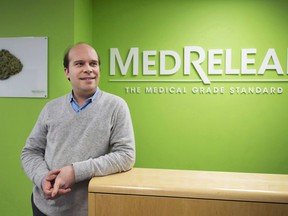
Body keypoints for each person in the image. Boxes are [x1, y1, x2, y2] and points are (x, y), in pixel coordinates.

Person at [21, 43, 136, 216]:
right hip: (44, 207)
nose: (88, 69)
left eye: (93, 63)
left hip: (89, 209)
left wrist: (75, 171)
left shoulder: (116, 106)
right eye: (79, 63)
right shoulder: (50, 108)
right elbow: (30, 152)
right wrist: (42, 178)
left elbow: (126, 155)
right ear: (67, 72)